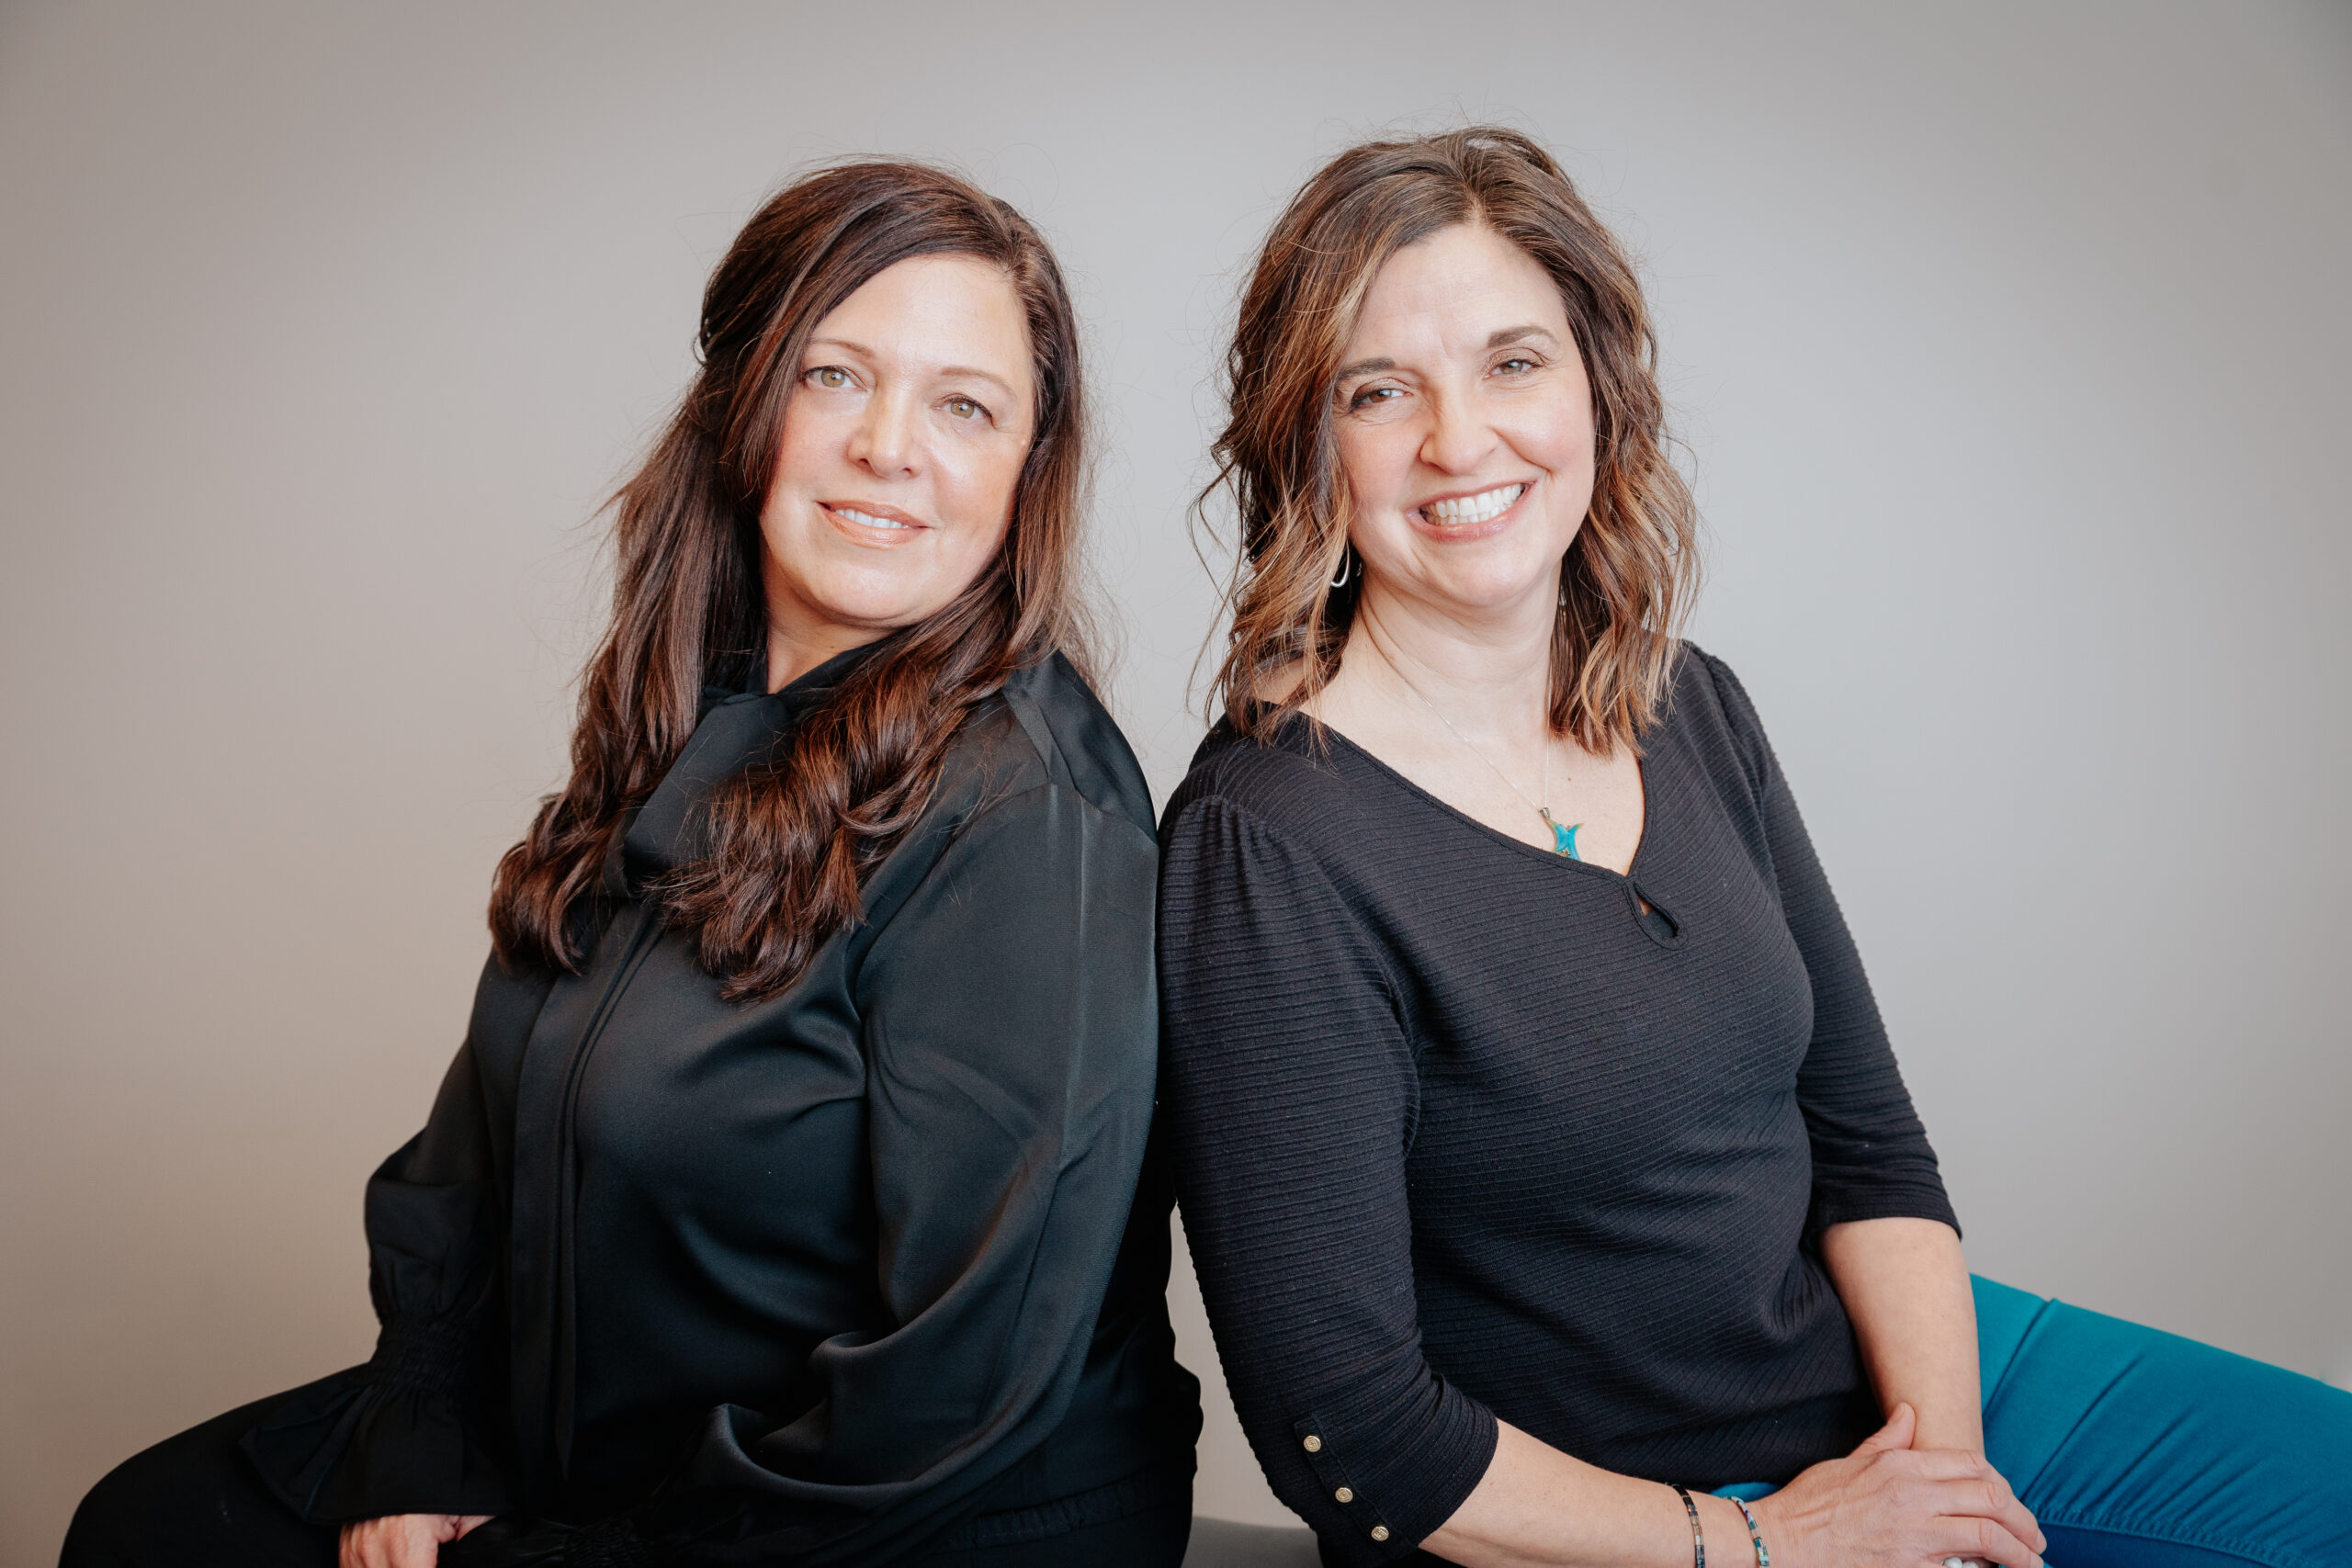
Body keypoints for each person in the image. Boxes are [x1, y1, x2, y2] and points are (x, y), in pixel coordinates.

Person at [1155, 126, 2352, 1568]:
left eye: (1513, 363)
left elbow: (1869, 1148)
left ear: (1597, 387)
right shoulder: (1268, 846)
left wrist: (1938, 1482)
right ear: (1308, 443)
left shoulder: (1688, 702)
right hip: (1652, 1516)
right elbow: (1348, 1429)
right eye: (1378, 389)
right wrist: (1773, 1543)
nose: (1460, 441)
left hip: (1903, 1385)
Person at [63, 160, 1200, 1568]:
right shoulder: (689, 715)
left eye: (964, 406)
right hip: (608, 1441)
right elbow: (470, 1157)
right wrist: (422, 1429)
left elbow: (962, 1386)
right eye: (836, 376)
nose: (889, 447)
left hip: (900, 1520)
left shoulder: (1029, 820)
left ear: (1029, 468)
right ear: (744, 401)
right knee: (148, 1528)